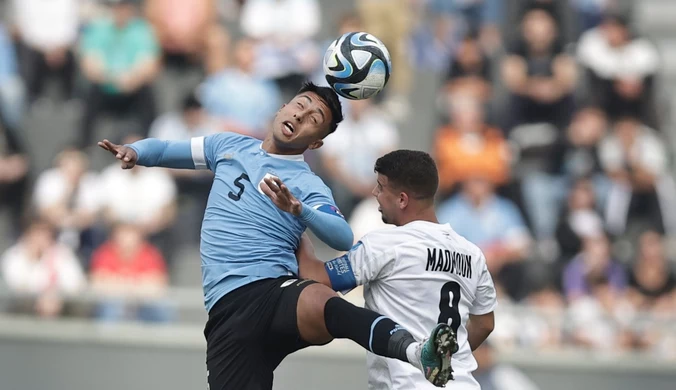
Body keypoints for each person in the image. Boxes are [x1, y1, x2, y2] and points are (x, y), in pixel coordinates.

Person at [98, 82, 454, 389]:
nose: (301, 116)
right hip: (226, 312)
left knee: (320, 300)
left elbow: (343, 236)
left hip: (272, 291)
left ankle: (415, 351)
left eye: (314, 119)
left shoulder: (308, 186)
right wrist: (136, 152)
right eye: (300, 106)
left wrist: (299, 210)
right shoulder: (228, 146)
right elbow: (164, 150)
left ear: (315, 144)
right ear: (283, 108)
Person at [296, 150, 497, 389]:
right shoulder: (472, 253)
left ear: (402, 199)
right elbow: (485, 323)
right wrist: (445, 357)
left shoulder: (386, 245)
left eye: (380, 187)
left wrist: (294, 224)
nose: (374, 194)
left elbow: (314, 278)